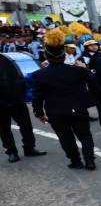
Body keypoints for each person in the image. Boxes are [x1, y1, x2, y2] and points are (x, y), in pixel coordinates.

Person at [31, 28, 96, 170]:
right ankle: (90, 161)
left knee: (66, 138)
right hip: (78, 109)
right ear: (63, 53)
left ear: (47, 55)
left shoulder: (40, 75)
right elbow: (93, 80)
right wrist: (85, 68)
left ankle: (76, 161)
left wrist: (39, 113)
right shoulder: (77, 70)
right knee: (85, 135)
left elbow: (37, 97)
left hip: (56, 113)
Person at [0, 51, 46, 162]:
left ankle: (29, 148)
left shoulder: (6, 59)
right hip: (1, 103)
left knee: (26, 126)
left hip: (16, 99)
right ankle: (11, 152)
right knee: (4, 129)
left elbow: (22, 76)